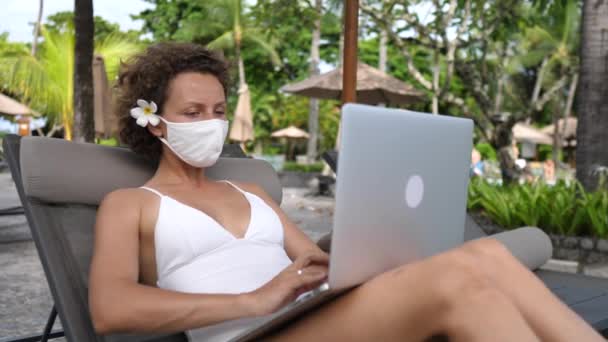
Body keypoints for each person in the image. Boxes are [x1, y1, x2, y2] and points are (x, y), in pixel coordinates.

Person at [88, 42, 603, 342]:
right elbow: (110, 309)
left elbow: (317, 264)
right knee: (457, 278)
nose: (211, 123)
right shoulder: (130, 203)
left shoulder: (252, 192)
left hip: (306, 316)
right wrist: (252, 298)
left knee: (485, 254)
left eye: (219, 111)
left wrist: (349, 263)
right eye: (192, 113)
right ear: (154, 123)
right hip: (248, 333)